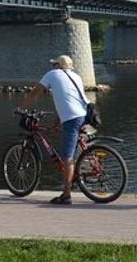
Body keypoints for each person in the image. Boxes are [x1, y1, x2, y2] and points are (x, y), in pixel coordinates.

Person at [14, 54, 88, 205]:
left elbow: (36, 92)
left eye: (55, 64)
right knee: (71, 147)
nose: (53, 67)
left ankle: (66, 196)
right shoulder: (76, 76)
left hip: (72, 119)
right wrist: (58, 120)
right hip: (83, 114)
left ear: (58, 66)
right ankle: (74, 177)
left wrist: (21, 107)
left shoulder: (52, 74)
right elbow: (70, 100)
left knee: (67, 158)